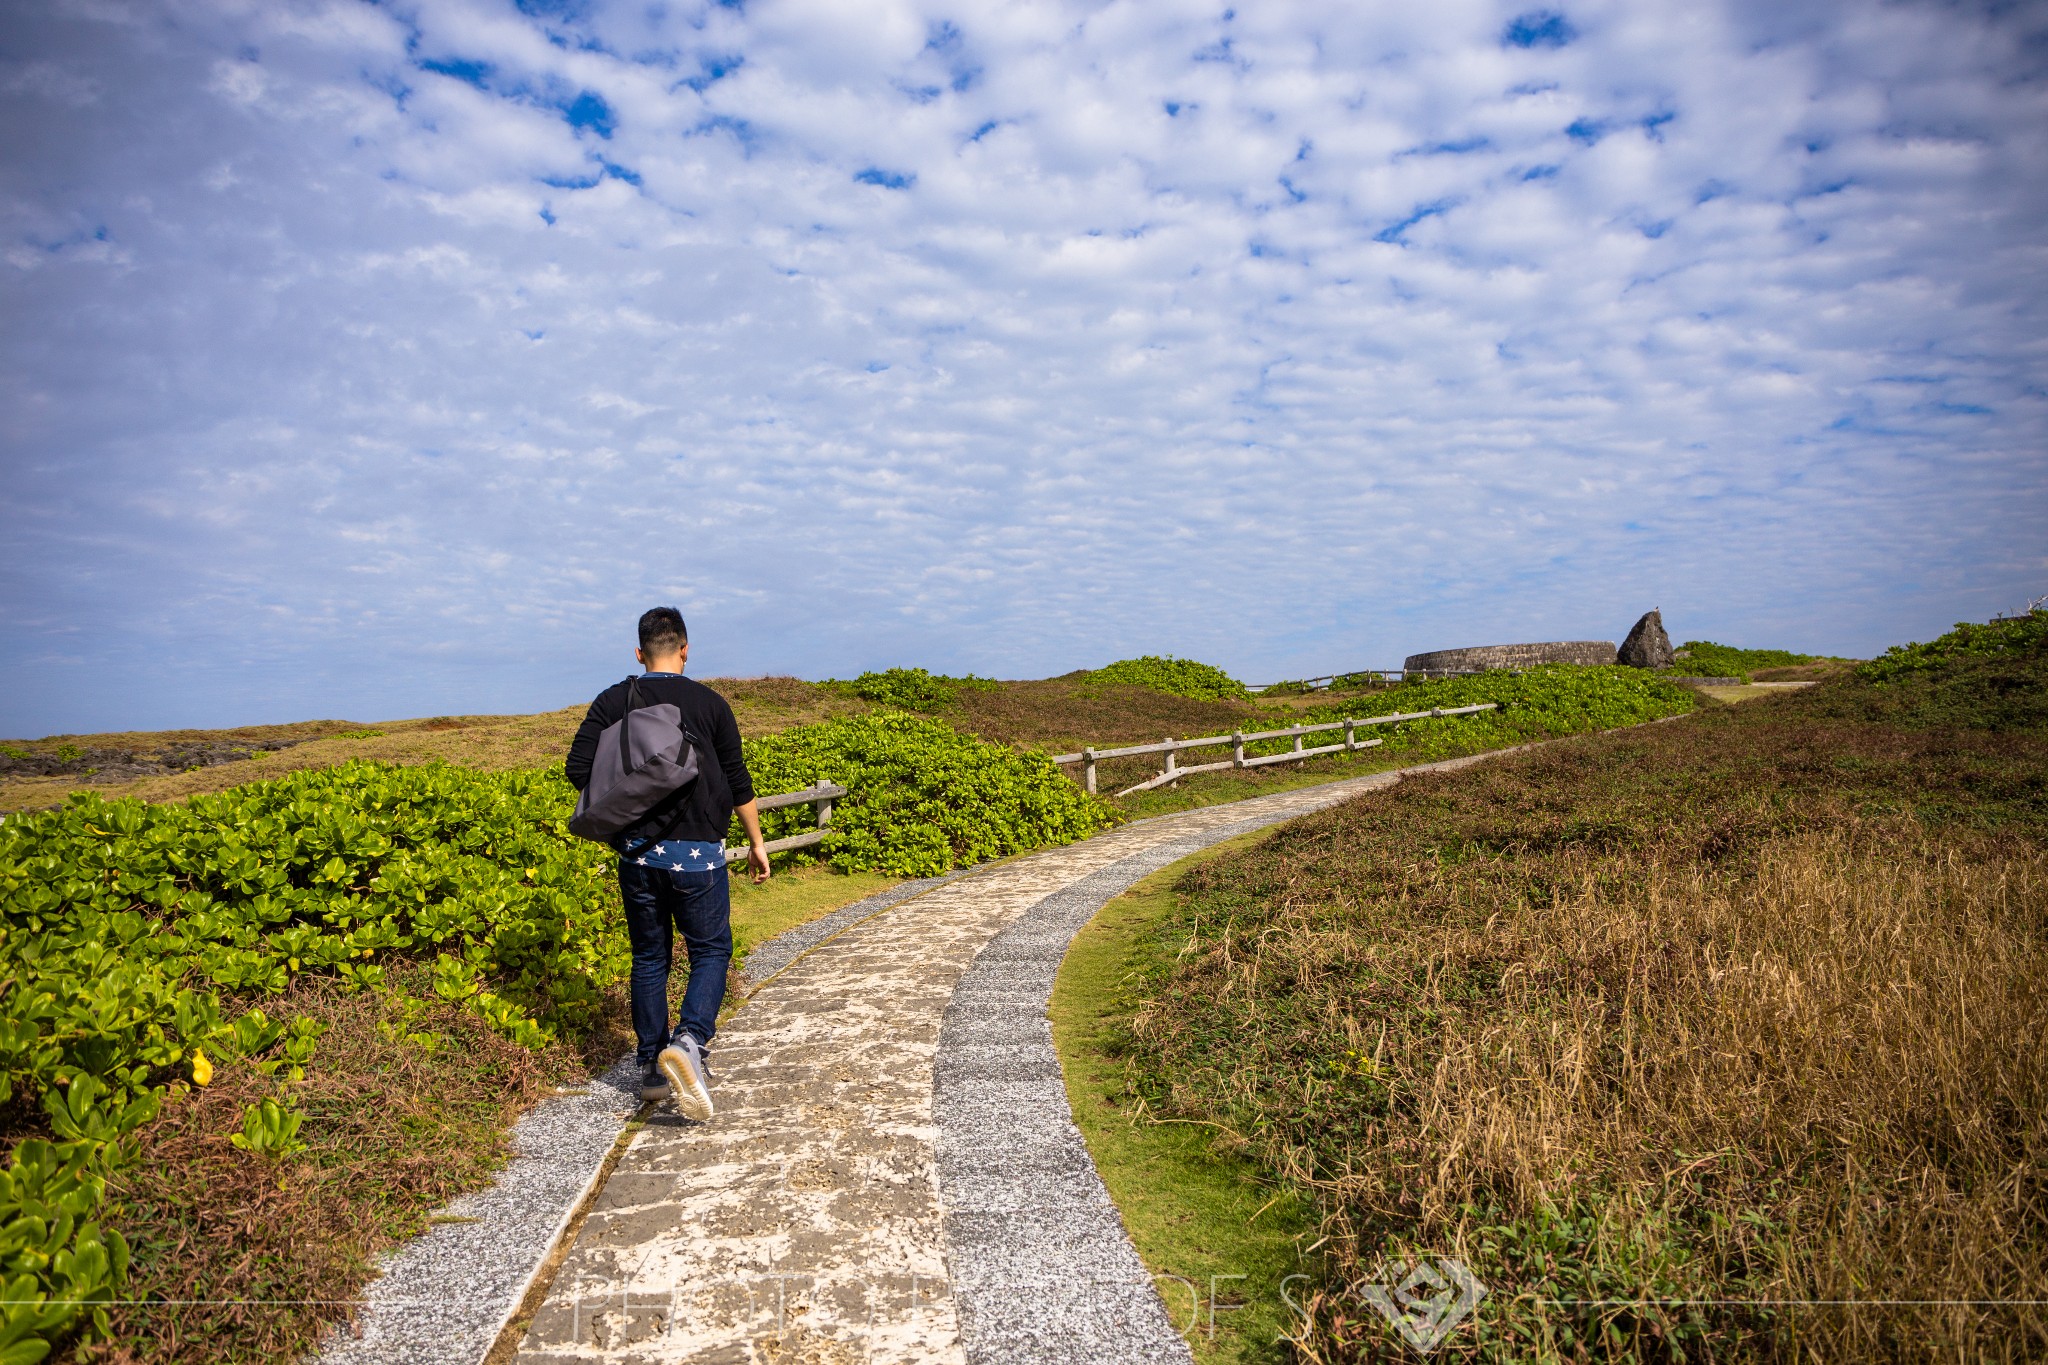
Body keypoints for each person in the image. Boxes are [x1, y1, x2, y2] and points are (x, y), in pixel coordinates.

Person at [565, 607, 770, 1120]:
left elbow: (578, 771)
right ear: (685, 649)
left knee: (650, 957)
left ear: (639, 652)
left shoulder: (614, 700)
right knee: (711, 950)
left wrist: (630, 794)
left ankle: (653, 1070)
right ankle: (691, 1040)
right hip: (698, 854)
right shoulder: (710, 703)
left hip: (637, 854)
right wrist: (756, 842)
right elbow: (737, 779)